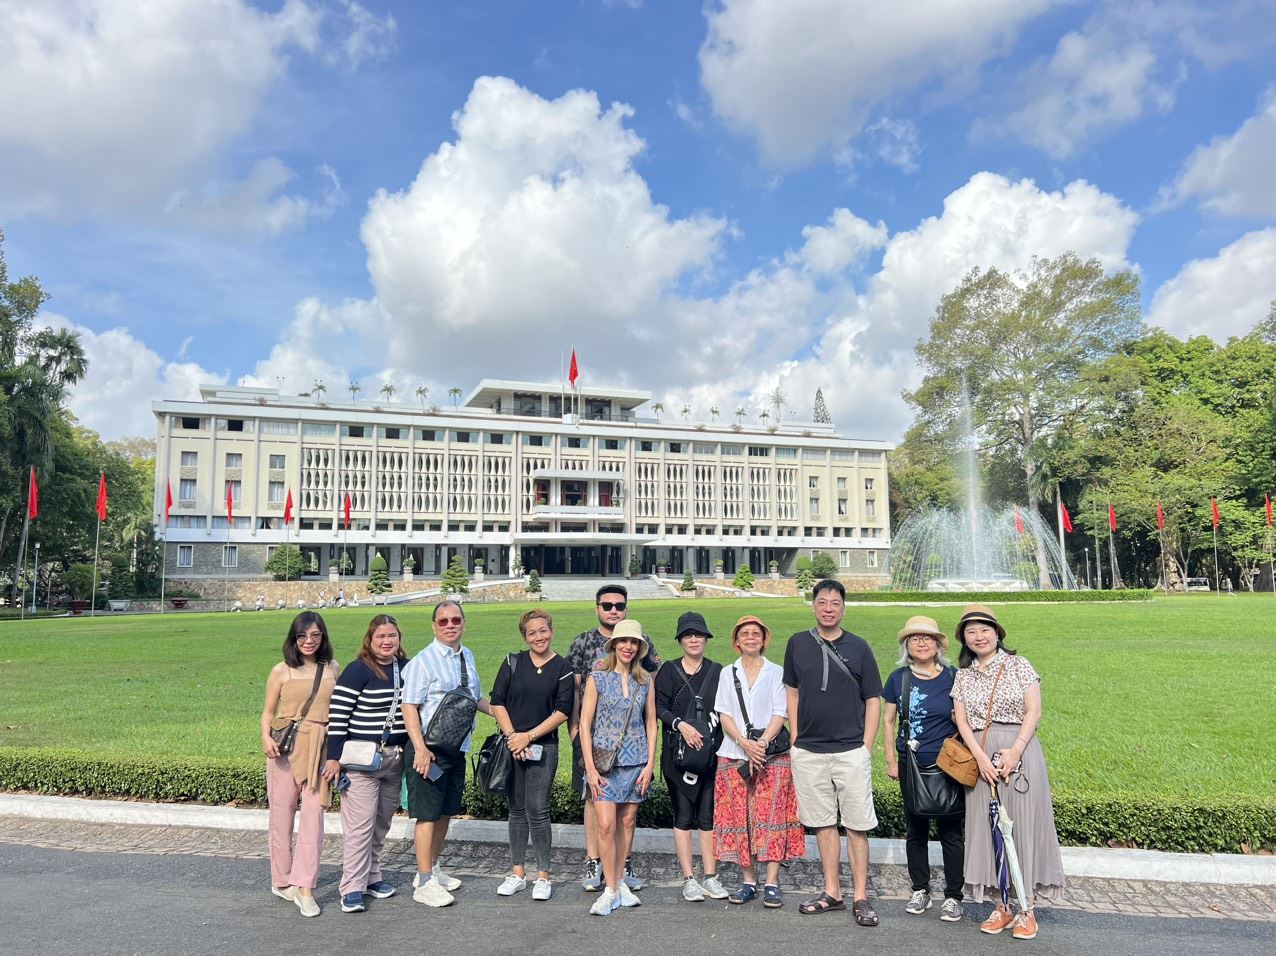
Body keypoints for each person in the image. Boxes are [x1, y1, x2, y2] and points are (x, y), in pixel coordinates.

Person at [951, 604, 1065, 941]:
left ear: (997, 632)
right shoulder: (963, 675)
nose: (979, 636)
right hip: (981, 760)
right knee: (990, 831)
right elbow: (961, 721)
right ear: (964, 639)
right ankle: (1001, 905)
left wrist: (1015, 750)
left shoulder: (1018, 665)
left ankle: (1027, 908)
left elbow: (1034, 710)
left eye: (984, 629)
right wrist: (980, 759)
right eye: (971, 632)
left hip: (1020, 752)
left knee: (1022, 828)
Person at [783, 578, 883, 925]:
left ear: (843, 607)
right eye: (822, 602)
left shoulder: (859, 647)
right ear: (813, 606)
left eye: (835, 603)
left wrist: (866, 745)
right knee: (823, 824)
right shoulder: (797, 644)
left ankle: (860, 896)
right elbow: (792, 692)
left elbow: (873, 699)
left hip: (850, 750)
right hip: (809, 750)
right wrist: (795, 736)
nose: (828, 608)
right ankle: (832, 892)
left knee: (856, 826)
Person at [566, 584, 660, 892]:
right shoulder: (585, 647)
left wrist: (649, 764)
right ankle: (597, 865)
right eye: (607, 605)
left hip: (634, 756)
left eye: (618, 605)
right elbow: (576, 696)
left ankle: (621, 871)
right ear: (597, 607)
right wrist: (576, 733)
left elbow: (650, 716)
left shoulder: (644, 676)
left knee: (627, 819)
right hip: (598, 747)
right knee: (599, 812)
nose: (613, 609)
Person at [401, 600, 493, 907]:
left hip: (457, 748)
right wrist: (420, 749)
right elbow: (409, 707)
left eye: (455, 620)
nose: (450, 625)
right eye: (443, 621)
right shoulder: (423, 662)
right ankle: (423, 881)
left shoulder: (466, 656)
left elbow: (476, 698)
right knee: (427, 814)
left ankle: (433, 867)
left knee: (445, 811)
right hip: (428, 749)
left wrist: (505, 717)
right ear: (434, 626)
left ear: (464, 623)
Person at [714, 614, 805, 909]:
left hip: (772, 755)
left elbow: (782, 712)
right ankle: (748, 879)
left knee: (772, 815)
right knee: (740, 818)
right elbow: (723, 713)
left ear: (765, 639)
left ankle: (771, 881)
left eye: (756, 633)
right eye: (745, 634)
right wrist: (744, 743)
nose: (750, 638)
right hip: (733, 753)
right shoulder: (728, 673)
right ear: (736, 641)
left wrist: (761, 744)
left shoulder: (777, 672)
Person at [881, 615, 965, 922]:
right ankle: (921, 889)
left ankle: (954, 895)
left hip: (948, 763)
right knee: (915, 829)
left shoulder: (955, 677)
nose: (921, 642)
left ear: (938, 644)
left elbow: (964, 718)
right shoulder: (897, 678)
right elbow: (888, 721)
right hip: (911, 764)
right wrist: (891, 759)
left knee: (951, 831)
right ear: (906, 645)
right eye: (914, 638)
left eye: (927, 638)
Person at [323, 614, 407, 914]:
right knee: (359, 827)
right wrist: (334, 758)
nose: (387, 642)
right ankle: (352, 887)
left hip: (394, 759)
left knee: (381, 823)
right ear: (369, 641)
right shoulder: (357, 670)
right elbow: (339, 717)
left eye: (392, 636)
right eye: (381, 637)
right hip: (361, 762)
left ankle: (372, 877)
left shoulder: (405, 669)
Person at [490, 609, 575, 901]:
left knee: (538, 810)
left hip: (543, 746)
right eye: (532, 632)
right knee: (515, 810)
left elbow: (563, 711)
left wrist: (529, 736)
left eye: (543, 630)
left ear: (551, 631)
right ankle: (517, 873)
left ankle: (543, 875)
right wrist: (514, 736)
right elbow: (497, 701)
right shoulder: (513, 662)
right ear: (524, 636)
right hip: (513, 744)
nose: (538, 637)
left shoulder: (562, 667)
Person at [261, 611, 338, 917]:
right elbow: (268, 712)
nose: (309, 641)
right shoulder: (281, 671)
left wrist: (336, 753)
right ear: (294, 638)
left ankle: (305, 887)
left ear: (323, 637)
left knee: (313, 818)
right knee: (281, 818)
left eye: (315, 635)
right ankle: (282, 881)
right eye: (302, 636)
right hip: (285, 748)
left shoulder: (331, 668)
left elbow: (341, 711)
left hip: (319, 745)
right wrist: (265, 738)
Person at [655, 611, 728, 902]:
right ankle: (688, 878)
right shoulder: (669, 671)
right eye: (688, 635)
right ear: (680, 640)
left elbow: (726, 712)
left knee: (708, 817)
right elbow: (658, 707)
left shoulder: (718, 671)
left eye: (699, 634)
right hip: (678, 758)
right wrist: (680, 725)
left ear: (706, 638)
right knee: (683, 815)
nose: (694, 639)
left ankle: (711, 876)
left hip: (710, 757)